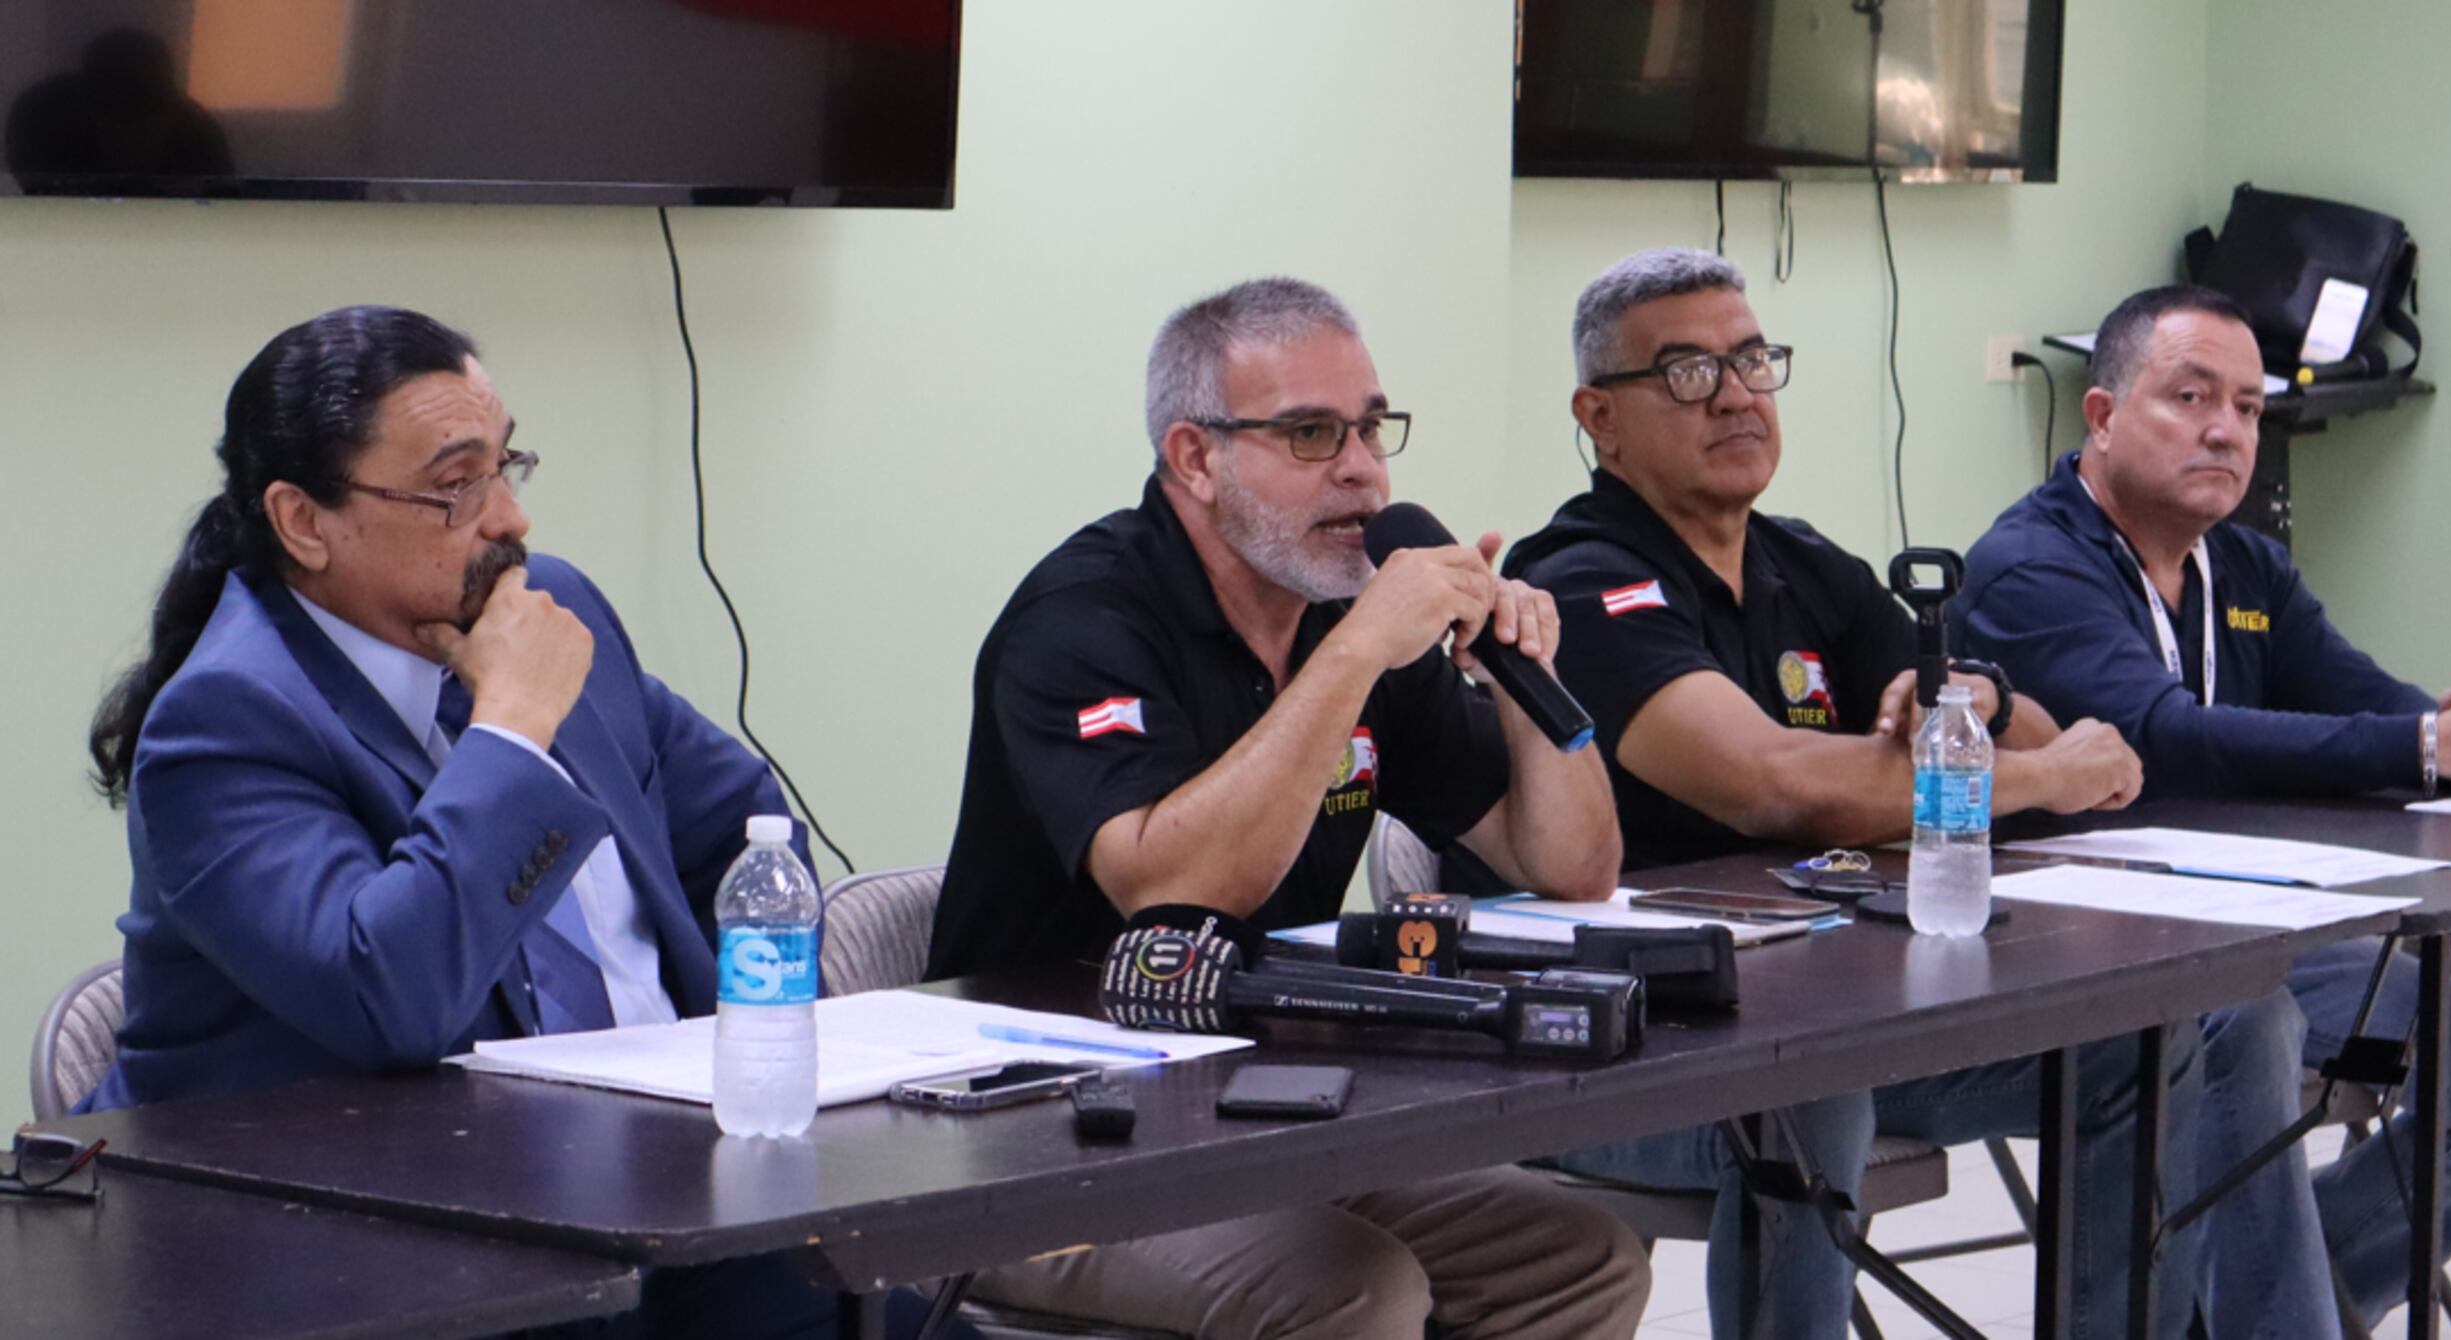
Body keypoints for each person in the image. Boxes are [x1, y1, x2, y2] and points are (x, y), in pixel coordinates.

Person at [80, 306, 848, 1339]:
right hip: (370, 1247)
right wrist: (513, 732)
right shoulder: (229, 720)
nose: (510, 520)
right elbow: (387, 990)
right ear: (305, 521)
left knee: (849, 1282)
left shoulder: (553, 609)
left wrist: (730, 1064)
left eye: (507, 465)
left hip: (661, 1188)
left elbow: (751, 834)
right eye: (455, 485)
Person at [913, 277, 1650, 1339]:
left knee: (1574, 1255)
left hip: (1265, 1104)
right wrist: (1355, 650)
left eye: (1369, 427)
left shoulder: (1351, 607)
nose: (1359, 467)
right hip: (1044, 1140)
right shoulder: (1080, 621)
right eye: (1310, 432)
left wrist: (1519, 672)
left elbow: (1572, 866)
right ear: (1195, 459)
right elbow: (1174, 891)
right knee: (1350, 1285)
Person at [1503, 247, 2218, 1339]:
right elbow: (1778, 787)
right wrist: (2044, 772)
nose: (1739, 393)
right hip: (1637, 1052)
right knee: (1814, 1079)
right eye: (1690, 372)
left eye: (1753, 360)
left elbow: (1997, 709)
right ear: (1599, 416)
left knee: (2174, 1030)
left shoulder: (1799, 559)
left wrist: (1975, 690)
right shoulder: (1586, 578)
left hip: (1841, 996)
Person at [1952, 283, 2451, 1335]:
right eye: (2191, 397)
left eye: (2246, 406)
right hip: (2097, 952)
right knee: (2252, 1028)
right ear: (2100, 417)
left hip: (2264, 924)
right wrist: (2427, 746)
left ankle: (2260, 1309)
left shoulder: (2244, 565)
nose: (2226, 430)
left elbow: (2366, 699)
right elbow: (2161, 736)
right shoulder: (2029, 566)